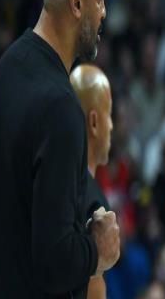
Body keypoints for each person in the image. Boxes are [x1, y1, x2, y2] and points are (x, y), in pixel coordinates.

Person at [0, 0, 120, 298]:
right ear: (76, 1)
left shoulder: (7, 68)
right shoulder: (61, 109)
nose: (104, 11)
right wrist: (97, 251)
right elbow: (54, 261)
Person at [70, 63, 113, 299]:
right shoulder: (93, 201)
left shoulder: (62, 184)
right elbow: (93, 288)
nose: (112, 126)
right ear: (94, 122)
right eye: (109, 113)